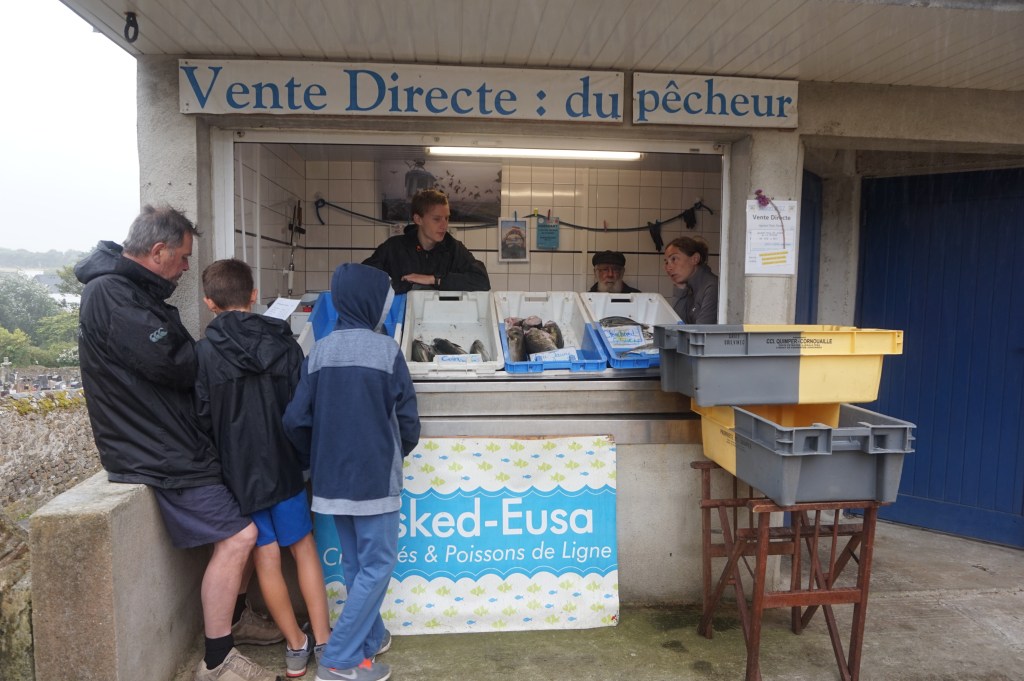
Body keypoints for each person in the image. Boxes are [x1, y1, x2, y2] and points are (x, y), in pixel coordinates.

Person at [75, 205, 282, 681]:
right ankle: (217, 660)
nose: (188, 267)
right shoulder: (113, 294)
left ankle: (235, 621)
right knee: (240, 535)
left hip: (170, 439)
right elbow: (175, 364)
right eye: (184, 257)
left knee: (245, 522)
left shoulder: (130, 290)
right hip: (157, 450)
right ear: (158, 250)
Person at [195, 258, 332, 679]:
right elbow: (302, 408)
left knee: (266, 558)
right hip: (286, 466)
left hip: (240, 475)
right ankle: (326, 643)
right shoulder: (284, 342)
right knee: (304, 549)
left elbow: (201, 417)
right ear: (254, 295)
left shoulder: (202, 353)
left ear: (208, 303)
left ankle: (295, 648)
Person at [283, 263, 420, 681]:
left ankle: (370, 638)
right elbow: (409, 422)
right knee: (377, 563)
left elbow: (294, 420)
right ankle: (339, 661)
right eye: (385, 301)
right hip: (375, 479)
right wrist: (392, 451)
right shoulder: (386, 351)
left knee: (355, 563)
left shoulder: (319, 350)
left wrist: (317, 458)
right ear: (371, 303)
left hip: (331, 482)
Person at [363, 188, 490, 294]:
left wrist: (435, 280)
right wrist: (409, 286)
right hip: (400, 320)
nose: (444, 225)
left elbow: (482, 281)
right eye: (437, 219)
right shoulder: (393, 248)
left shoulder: (454, 249)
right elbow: (363, 279)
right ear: (418, 219)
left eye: (446, 218)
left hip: (443, 320)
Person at [663, 236, 719, 324]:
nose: (668, 268)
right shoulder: (689, 288)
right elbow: (677, 324)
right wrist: (679, 288)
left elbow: (701, 333)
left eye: (674, 259)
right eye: (666, 262)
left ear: (695, 259)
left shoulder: (712, 287)